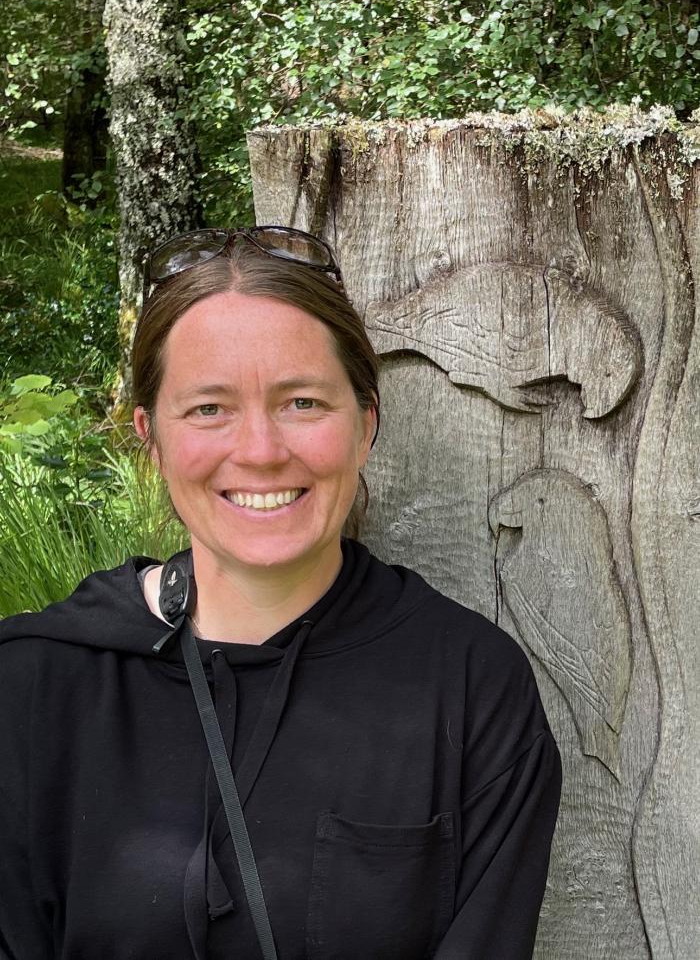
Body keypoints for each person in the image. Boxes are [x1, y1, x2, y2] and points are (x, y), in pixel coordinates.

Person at [0, 226, 562, 959]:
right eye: (209, 408)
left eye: (302, 402)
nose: (261, 451)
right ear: (152, 438)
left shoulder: (470, 687)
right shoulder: (35, 687)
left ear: (365, 425)